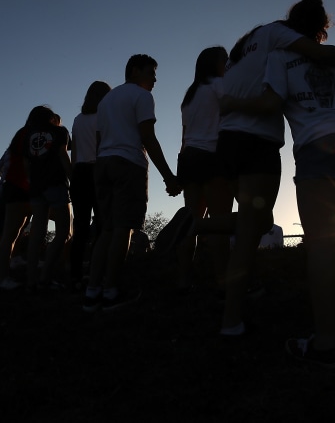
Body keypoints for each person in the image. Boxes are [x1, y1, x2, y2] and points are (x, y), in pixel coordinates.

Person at [224, 0, 335, 368]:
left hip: (315, 148)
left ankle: (324, 344)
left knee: (321, 242)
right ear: (320, 28)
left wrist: (232, 103)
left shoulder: (278, 56)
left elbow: (270, 103)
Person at [83, 54, 182, 312]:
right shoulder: (142, 96)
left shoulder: (105, 101)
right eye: (151, 73)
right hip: (128, 164)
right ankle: (111, 290)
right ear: (135, 71)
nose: (155, 78)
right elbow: (148, 137)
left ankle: (93, 289)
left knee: (106, 229)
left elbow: (98, 138)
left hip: (102, 164)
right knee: (123, 229)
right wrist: (168, 176)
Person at [174, 46, 233, 294]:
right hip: (212, 156)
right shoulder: (220, 87)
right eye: (225, 60)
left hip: (189, 159)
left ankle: (183, 282)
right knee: (219, 223)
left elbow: (185, 136)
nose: (228, 65)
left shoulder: (189, 97)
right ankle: (225, 284)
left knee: (193, 223)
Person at [22, 105, 72, 292]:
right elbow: (62, 155)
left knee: (37, 233)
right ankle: (45, 277)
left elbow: (26, 163)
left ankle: (31, 280)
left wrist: (31, 181)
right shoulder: (60, 131)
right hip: (56, 184)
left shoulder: (28, 136)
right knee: (63, 232)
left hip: (36, 188)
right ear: (51, 117)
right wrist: (72, 179)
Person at [70, 81, 111, 290]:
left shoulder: (78, 119)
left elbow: (74, 152)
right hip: (98, 169)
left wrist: (72, 177)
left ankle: (75, 274)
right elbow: (101, 146)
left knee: (80, 228)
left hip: (79, 173)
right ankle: (98, 272)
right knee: (103, 225)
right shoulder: (103, 116)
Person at [0, 118, 33, 290]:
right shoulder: (27, 136)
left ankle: (13, 261)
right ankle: (4, 276)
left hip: (16, 186)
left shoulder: (21, 136)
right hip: (18, 186)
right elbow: (24, 163)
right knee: (10, 231)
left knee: (16, 228)